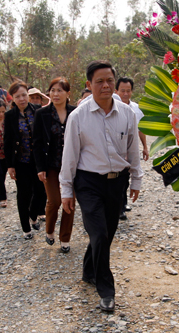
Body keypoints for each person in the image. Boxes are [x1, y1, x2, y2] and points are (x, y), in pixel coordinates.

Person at [60, 61, 143, 312]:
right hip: (88, 182)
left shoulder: (127, 114)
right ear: (89, 84)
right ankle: (106, 290)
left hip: (117, 182)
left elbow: (133, 151)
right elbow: (70, 156)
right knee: (99, 234)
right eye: (99, 81)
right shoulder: (78, 117)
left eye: (109, 80)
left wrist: (136, 179)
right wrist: (66, 190)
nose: (105, 86)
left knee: (106, 233)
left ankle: (88, 270)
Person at [33, 77, 76, 253]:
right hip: (50, 164)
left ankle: (65, 238)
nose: (55, 94)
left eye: (60, 90)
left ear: (68, 94)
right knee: (55, 201)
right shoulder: (41, 114)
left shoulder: (75, 112)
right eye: (52, 90)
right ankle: (49, 230)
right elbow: (36, 143)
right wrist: (40, 168)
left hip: (71, 164)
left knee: (69, 201)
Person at [4, 81, 47, 240]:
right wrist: (10, 165)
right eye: (17, 96)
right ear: (13, 99)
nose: (22, 99)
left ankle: (33, 214)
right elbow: (7, 142)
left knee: (40, 191)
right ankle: (26, 227)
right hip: (21, 161)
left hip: (38, 161)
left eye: (24, 95)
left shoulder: (37, 111)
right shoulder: (10, 116)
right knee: (24, 194)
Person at [115, 77, 149, 220]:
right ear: (116, 91)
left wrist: (145, 147)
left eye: (128, 91)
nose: (125, 94)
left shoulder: (135, 108)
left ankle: (123, 205)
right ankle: (119, 207)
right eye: (122, 90)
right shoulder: (111, 106)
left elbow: (140, 129)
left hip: (130, 148)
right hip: (117, 148)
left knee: (126, 177)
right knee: (119, 178)